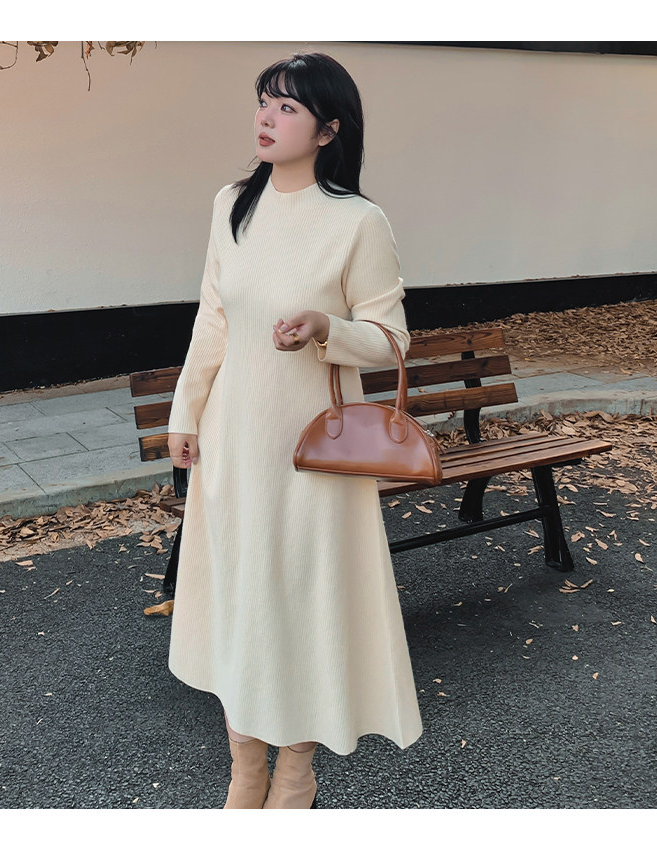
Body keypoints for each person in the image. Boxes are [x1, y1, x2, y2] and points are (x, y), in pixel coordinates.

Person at [166, 51, 423, 810]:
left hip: (311, 448)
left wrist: (326, 329)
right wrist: (186, 412)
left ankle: (297, 767)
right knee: (241, 593)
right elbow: (212, 318)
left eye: (287, 107)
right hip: (234, 440)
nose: (266, 118)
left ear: (328, 129)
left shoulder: (358, 221)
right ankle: (246, 765)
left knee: (303, 595)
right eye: (264, 101)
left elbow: (392, 341)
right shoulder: (231, 205)